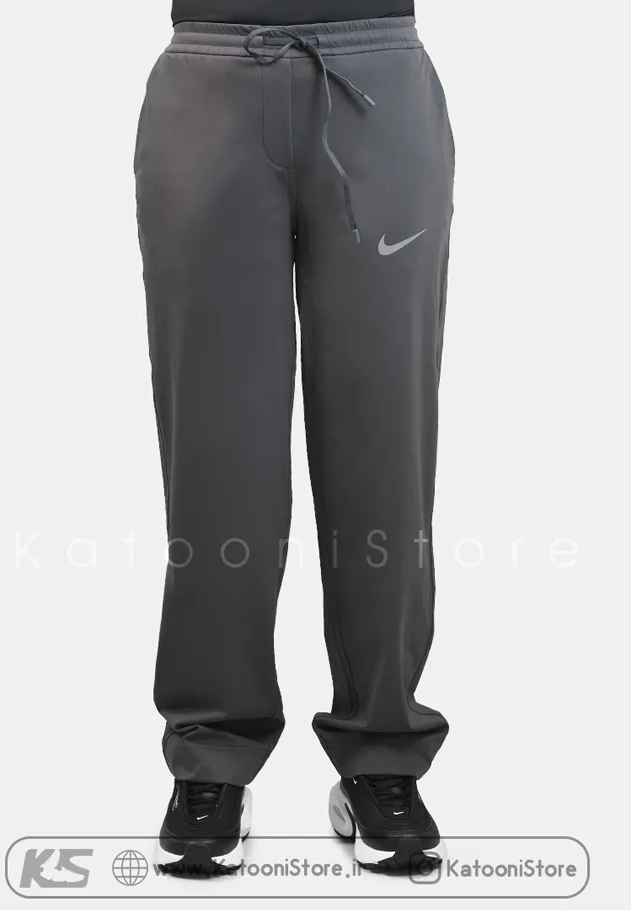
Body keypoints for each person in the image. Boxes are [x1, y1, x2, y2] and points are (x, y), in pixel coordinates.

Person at [134, 0, 455, 874]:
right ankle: (211, 755)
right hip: (208, 79)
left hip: (376, 76)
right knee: (217, 444)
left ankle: (383, 751)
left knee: (385, 436)